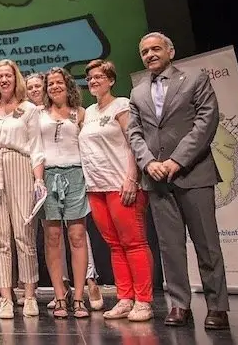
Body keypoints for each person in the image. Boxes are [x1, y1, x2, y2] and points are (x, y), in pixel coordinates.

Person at [128, 32, 229, 330]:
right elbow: (134, 134)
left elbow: (206, 122)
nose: (150, 55)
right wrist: (148, 162)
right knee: (170, 246)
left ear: (170, 51)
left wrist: (176, 161)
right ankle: (179, 305)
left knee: (207, 244)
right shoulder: (137, 93)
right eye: (144, 51)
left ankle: (217, 307)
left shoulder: (195, 79)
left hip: (192, 174)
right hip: (157, 180)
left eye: (155, 49)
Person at [80, 60, 154, 322]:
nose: (94, 81)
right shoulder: (88, 112)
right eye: (90, 78)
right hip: (96, 187)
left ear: (111, 80)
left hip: (120, 184)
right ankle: (125, 298)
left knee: (133, 243)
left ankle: (143, 301)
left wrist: (132, 178)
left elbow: (134, 141)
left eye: (99, 77)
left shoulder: (121, 104)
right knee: (114, 245)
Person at [0, 59, 44, 319]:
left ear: (15, 78)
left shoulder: (28, 109)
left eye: (8, 75)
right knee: (0, 239)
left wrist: (38, 180)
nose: (4, 80)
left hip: (21, 165)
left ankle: (30, 295)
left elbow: (36, 147)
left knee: (23, 233)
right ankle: (6, 297)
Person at [39, 67, 92, 318]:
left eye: (59, 82)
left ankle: (79, 297)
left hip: (75, 174)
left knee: (77, 235)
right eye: (50, 84)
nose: (55, 87)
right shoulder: (38, 114)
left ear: (67, 85)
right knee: (52, 237)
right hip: (48, 175)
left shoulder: (79, 113)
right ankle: (60, 296)